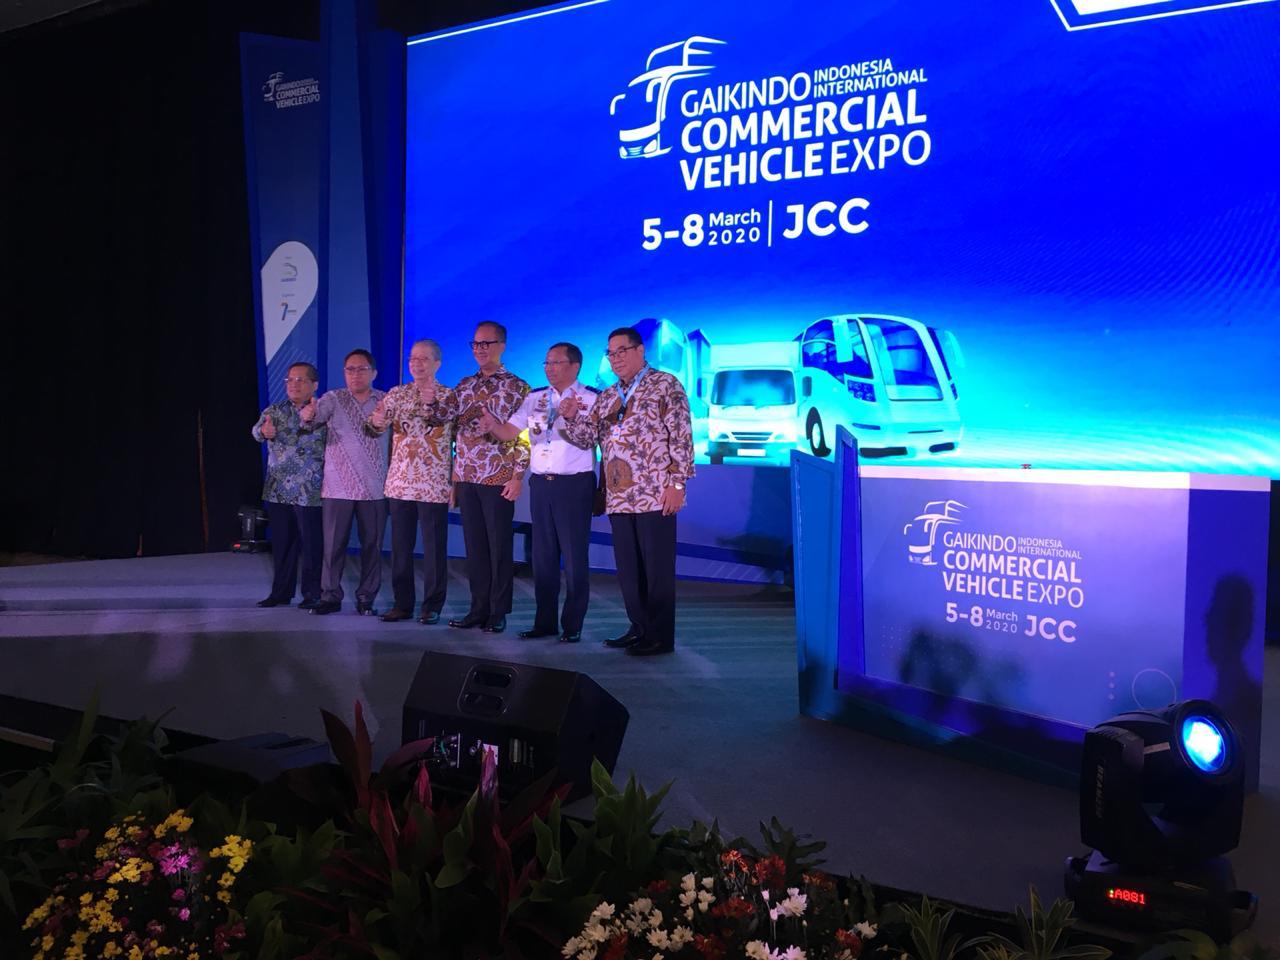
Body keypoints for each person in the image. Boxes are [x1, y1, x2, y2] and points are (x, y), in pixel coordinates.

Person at [560, 326, 693, 656]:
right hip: (620, 496)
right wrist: (571, 417)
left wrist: (677, 483)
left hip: (655, 493)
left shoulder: (665, 385)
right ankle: (639, 627)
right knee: (629, 570)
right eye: (611, 353)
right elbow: (586, 439)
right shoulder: (607, 396)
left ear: (640, 351)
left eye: (622, 351)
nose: (616, 358)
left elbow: (681, 436)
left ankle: (660, 636)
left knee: (656, 570)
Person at [480, 342, 598, 643]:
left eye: (556, 363)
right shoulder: (535, 398)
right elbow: (510, 431)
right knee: (543, 557)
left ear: (575, 366)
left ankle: (572, 624)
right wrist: (493, 425)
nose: (549, 368)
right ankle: (545, 622)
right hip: (541, 484)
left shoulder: (591, 398)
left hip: (574, 485)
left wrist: (572, 417)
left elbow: (592, 441)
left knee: (574, 556)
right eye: (546, 363)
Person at [422, 322, 529, 633]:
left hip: (498, 477)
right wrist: (429, 403)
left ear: (502, 346)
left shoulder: (517, 387)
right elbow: (442, 421)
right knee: (475, 548)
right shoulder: (464, 385)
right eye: (476, 344)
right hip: (468, 477)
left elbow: (524, 437)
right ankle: (478, 609)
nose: (480, 349)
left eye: (487, 343)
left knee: (499, 548)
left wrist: (517, 476)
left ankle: (498, 611)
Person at [365, 339, 455, 625]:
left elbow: (456, 439)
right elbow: (374, 428)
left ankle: (432, 606)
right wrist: (377, 420)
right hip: (400, 482)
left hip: (433, 484)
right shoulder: (397, 394)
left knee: (434, 549)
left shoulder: (449, 396)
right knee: (400, 548)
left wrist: (455, 482)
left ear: (437, 363)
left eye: (424, 359)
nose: (417, 364)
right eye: (413, 358)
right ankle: (402, 604)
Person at [300, 349, 389, 615]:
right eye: (350, 369)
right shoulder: (333, 398)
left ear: (374, 373)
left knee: (372, 546)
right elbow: (314, 419)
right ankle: (330, 596)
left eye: (361, 369)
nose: (355, 374)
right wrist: (308, 415)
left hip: (374, 488)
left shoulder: (385, 400)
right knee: (333, 546)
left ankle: (366, 598)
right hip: (337, 487)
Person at [251, 361, 326, 609]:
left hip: (310, 490)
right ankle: (280, 592)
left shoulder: (323, 411)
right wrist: (264, 432)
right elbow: (255, 432)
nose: (294, 384)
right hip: (279, 489)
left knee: (312, 545)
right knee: (283, 544)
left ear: (314, 385)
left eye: (300, 380)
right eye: (290, 380)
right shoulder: (275, 411)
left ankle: (312, 593)